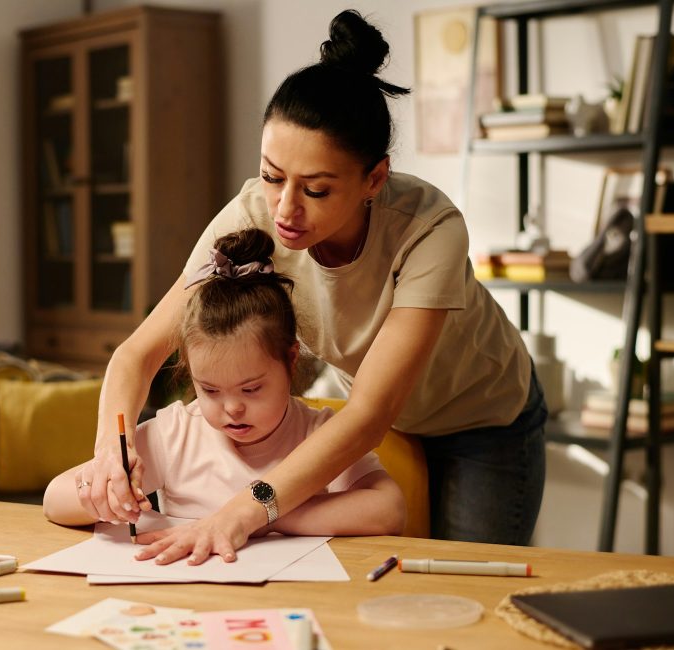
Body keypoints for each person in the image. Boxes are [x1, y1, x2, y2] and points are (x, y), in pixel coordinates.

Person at [75, 9, 547, 565]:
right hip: (378, 423)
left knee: (469, 583)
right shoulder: (252, 215)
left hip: (482, 419)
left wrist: (245, 510)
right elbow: (138, 353)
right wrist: (113, 448)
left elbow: (370, 411)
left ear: (375, 178)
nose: (284, 209)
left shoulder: (430, 230)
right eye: (273, 176)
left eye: (316, 190)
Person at [43, 228, 406, 544]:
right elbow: (54, 499)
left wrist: (261, 517)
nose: (232, 408)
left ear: (291, 360)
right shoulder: (178, 434)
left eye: (251, 390)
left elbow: (388, 509)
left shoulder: (317, 434)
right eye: (211, 390)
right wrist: (107, 493)